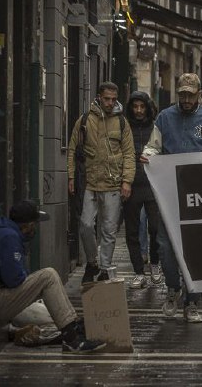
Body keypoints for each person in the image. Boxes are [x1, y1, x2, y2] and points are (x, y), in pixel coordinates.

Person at [141, 73, 202, 323]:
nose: (186, 99)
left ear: (198, 95)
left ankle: (192, 301)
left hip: (200, 195)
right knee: (166, 247)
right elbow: (154, 146)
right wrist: (148, 155)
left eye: (191, 95)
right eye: (182, 94)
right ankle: (172, 289)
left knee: (196, 248)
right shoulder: (165, 117)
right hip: (169, 192)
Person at [0, 200, 106, 353]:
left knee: (47, 288)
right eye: (34, 224)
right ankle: (72, 338)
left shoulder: (6, 232)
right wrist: (26, 278)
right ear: (26, 225)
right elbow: (13, 279)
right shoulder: (8, 236)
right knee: (48, 276)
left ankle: (73, 327)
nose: (35, 228)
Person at [67, 81, 135, 283]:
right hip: (89, 182)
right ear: (99, 97)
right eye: (107, 99)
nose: (110, 103)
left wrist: (127, 181)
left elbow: (129, 154)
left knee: (109, 229)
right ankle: (92, 262)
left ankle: (104, 267)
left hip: (113, 184)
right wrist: (71, 177)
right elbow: (72, 150)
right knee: (86, 225)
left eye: (114, 99)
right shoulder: (85, 120)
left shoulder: (122, 122)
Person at [123, 91, 162, 289]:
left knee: (155, 228)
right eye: (135, 107)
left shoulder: (156, 127)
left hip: (152, 184)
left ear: (147, 107)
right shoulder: (125, 126)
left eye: (142, 106)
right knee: (132, 231)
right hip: (130, 183)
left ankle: (155, 263)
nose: (138, 111)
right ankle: (138, 271)